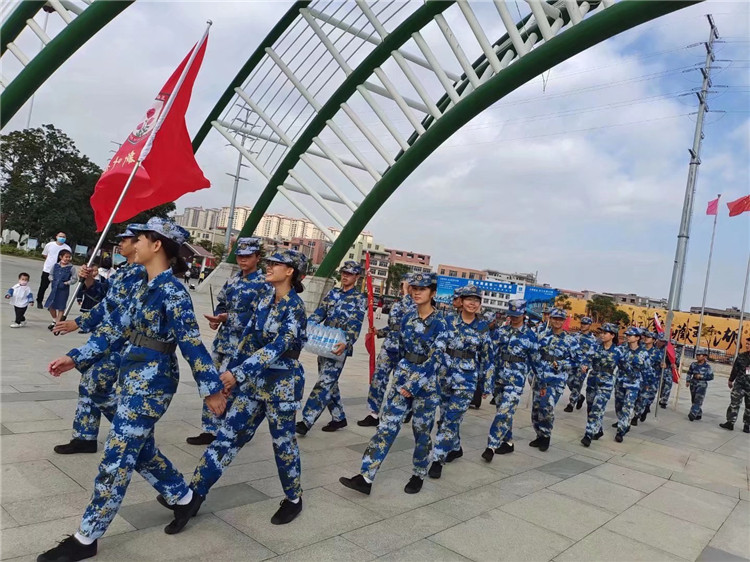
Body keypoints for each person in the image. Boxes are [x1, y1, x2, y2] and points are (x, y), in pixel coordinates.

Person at [38, 218, 226, 561]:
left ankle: (87, 537)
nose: (132, 244)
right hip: (132, 375)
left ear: (157, 245)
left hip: (154, 383)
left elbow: (193, 344)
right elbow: (113, 328)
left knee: (117, 455)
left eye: (139, 239)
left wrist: (211, 390)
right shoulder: (141, 284)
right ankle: (183, 498)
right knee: (139, 449)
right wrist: (75, 358)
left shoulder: (173, 292)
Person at [176, 250, 309, 529]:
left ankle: (293, 499)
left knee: (283, 444)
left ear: (291, 272)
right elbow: (247, 341)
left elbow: (277, 348)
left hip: (281, 386)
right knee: (227, 436)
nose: (269, 267)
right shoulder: (264, 301)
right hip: (253, 383)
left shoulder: (295, 308)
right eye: (269, 262)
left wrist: (237, 373)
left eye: (276, 264)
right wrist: (229, 376)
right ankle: (194, 494)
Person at [339, 272, 450, 495]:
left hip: (425, 386)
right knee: (386, 427)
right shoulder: (408, 318)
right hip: (402, 380)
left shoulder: (441, 322)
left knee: (421, 432)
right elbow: (399, 350)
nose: (417, 292)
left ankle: (418, 472)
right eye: (414, 288)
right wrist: (398, 376)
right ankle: (365, 476)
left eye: (423, 288)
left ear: (433, 292)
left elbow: (437, 357)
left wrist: (413, 384)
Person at [52, 225, 144, 455]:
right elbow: (107, 297)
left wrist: (79, 324)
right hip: (108, 338)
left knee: (97, 385)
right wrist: (91, 281)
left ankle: (134, 432)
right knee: (89, 383)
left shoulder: (140, 274)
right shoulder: (125, 270)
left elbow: (114, 312)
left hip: (122, 342)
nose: (121, 244)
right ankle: (85, 436)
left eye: (126, 240)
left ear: (139, 243)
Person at [186, 237, 271, 446]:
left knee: (229, 387)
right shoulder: (233, 280)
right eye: (240, 256)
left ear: (257, 258)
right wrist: (218, 317)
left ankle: (226, 428)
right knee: (211, 383)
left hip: (243, 347)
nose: (243, 260)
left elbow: (260, 318)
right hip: (223, 342)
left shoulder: (264, 285)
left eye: (248, 256)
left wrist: (228, 318)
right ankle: (209, 429)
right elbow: (222, 302)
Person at [429, 285, 493, 478]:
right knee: (445, 416)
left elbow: (486, 357)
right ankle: (455, 448)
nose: (473, 303)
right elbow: (438, 343)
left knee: (451, 419)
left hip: (466, 380)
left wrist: (487, 384)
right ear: (461, 301)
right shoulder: (448, 320)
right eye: (469, 299)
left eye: (476, 300)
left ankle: (437, 459)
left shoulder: (482, 326)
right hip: (445, 375)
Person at [296, 261, 366, 434]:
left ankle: (306, 421)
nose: (345, 276)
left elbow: (356, 324)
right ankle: (339, 417)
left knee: (324, 383)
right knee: (329, 383)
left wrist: (347, 342)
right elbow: (321, 312)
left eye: (349, 274)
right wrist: (308, 325)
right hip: (324, 343)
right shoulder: (333, 293)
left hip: (339, 346)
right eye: (343, 272)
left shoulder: (359, 299)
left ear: (357, 277)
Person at [481, 299, 538, 462]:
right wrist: (488, 378)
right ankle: (508, 441)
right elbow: (492, 355)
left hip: (516, 380)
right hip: (500, 377)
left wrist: (540, 381)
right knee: (503, 411)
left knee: (504, 411)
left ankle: (491, 445)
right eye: (511, 315)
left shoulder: (530, 335)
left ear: (524, 315)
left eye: (517, 315)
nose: (513, 318)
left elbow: (535, 360)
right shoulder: (502, 331)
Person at [358, 273, 414, 427]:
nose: (404, 288)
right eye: (404, 285)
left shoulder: (416, 304)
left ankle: (399, 411)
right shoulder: (397, 305)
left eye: (406, 285)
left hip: (405, 351)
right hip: (389, 348)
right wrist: (378, 332)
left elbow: (410, 317)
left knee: (400, 383)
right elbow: (393, 327)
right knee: (378, 379)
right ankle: (373, 413)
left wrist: (408, 294)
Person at [529, 307, 581, 451]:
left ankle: (546, 435)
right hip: (540, 378)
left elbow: (577, 361)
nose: (557, 321)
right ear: (550, 319)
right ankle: (539, 434)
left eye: (560, 319)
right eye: (554, 318)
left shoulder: (571, 340)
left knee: (547, 407)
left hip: (556, 379)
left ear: (564, 321)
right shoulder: (542, 335)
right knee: (536, 409)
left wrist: (563, 364)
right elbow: (534, 353)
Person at [581, 323, 624, 446]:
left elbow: (624, 367)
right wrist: (585, 365)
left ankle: (588, 434)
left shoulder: (618, 351)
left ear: (612, 335)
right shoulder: (595, 347)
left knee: (597, 408)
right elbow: (587, 359)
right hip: (593, 380)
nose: (602, 335)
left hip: (606, 383)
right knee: (590, 407)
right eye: (601, 333)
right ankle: (598, 430)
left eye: (605, 333)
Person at [611, 327, 648, 442]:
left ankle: (621, 431)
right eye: (627, 334)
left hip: (633, 384)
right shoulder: (621, 349)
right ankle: (623, 422)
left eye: (630, 335)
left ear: (637, 338)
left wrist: (647, 384)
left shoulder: (643, 353)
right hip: (620, 381)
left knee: (627, 406)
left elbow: (647, 370)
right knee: (619, 405)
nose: (627, 337)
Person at [564, 317, 597, 412]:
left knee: (577, 383)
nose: (583, 325)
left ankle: (571, 403)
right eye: (582, 323)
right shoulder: (575, 335)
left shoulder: (592, 339)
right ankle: (579, 397)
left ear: (590, 325)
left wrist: (587, 365)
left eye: (585, 324)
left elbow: (592, 354)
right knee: (569, 381)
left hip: (583, 365)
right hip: (572, 363)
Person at [720, 337, 750, 433]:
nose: (747, 346)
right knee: (734, 403)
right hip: (739, 385)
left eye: (749, 344)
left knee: (749, 407)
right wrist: (730, 380)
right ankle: (730, 422)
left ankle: (747, 425)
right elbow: (735, 369)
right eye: (747, 344)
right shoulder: (741, 356)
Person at [36, 231, 71, 309]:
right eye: (60, 236)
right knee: (43, 286)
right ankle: (39, 300)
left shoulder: (67, 248)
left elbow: (68, 259)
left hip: (59, 271)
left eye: (64, 237)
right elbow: (45, 254)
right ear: (56, 236)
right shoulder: (49, 245)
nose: (62, 238)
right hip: (47, 269)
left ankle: (52, 304)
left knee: (56, 288)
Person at [631, 331, 660, 426]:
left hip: (648, 378)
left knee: (642, 398)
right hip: (637, 377)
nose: (646, 338)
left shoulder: (657, 352)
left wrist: (663, 365)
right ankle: (627, 416)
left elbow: (660, 366)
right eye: (646, 336)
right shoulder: (640, 349)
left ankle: (636, 415)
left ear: (654, 340)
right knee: (632, 397)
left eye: (649, 337)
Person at [44, 249, 76, 330]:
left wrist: (67, 283)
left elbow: (75, 279)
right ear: (61, 257)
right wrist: (51, 279)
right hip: (54, 289)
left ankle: (57, 324)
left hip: (63, 290)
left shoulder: (71, 268)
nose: (68, 259)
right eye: (66, 257)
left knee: (61, 307)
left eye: (69, 257)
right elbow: (50, 274)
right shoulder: (55, 265)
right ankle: (54, 320)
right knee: (51, 306)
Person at [686, 348, 713, 421]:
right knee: (694, 399)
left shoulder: (707, 367)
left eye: (699, 355)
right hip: (693, 383)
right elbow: (689, 372)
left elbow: (711, 376)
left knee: (698, 400)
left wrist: (701, 376)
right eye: (697, 355)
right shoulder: (693, 364)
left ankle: (693, 414)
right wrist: (688, 381)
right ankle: (698, 413)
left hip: (702, 385)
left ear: (704, 356)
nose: (697, 356)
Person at [658, 340, 683, 408]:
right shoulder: (663, 351)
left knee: (668, 386)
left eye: (673, 344)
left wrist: (675, 365)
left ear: (675, 346)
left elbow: (677, 363)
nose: (671, 346)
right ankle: (661, 396)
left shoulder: (676, 353)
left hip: (669, 371)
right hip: (662, 370)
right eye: (670, 344)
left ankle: (664, 401)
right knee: (661, 386)